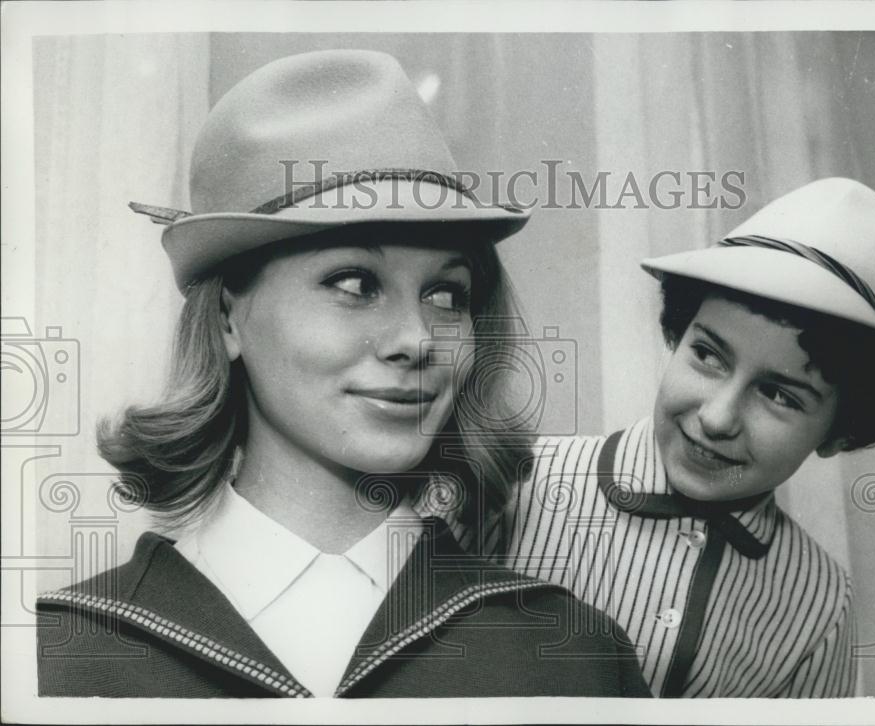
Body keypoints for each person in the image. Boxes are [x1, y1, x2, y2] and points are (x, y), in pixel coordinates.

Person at [36, 50, 649, 699]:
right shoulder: (56, 660)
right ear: (226, 319)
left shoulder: (576, 657)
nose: (417, 339)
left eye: (447, 296)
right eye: (354, 283)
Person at [500, 178, 875, 697]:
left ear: (840, 431)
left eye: (780, 395)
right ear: (678, 333)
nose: (717, 417)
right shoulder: (515, 482)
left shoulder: (821, 605)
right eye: (708, 356)